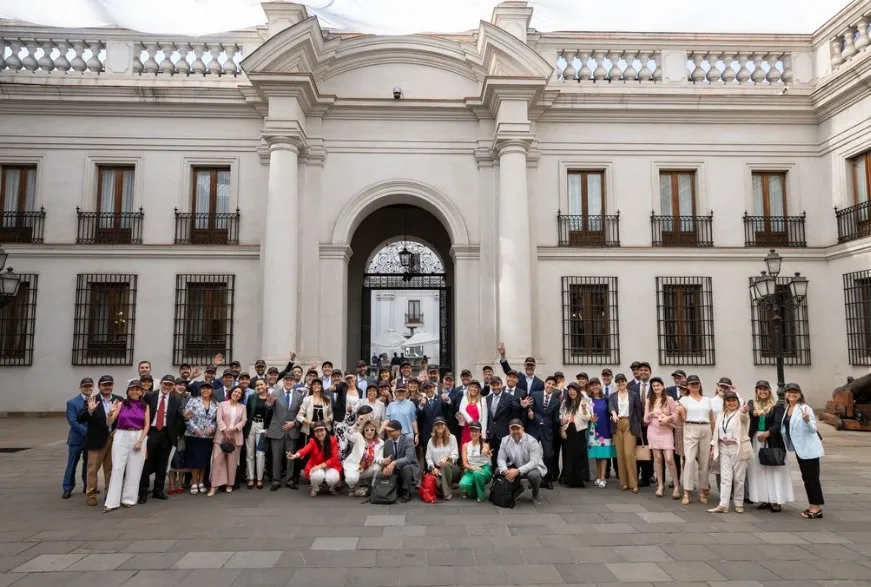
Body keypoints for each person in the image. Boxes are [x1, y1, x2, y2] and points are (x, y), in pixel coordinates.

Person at [103, 380, 150, 512]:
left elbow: (146, 424)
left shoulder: (144, 406)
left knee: (134, 469)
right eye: (131, 389)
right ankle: (112, 502)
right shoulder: (121, 404)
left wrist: (141, 440)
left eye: (137, 389)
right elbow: (109, 422)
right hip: (121, 434)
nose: (134, 392)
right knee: (117, 467)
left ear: (141, 391)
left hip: (138, 435)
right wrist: (110, 413)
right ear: (128, 391)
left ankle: (129, 499)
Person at [747, 380, 793, 512]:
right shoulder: (752, 404)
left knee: (773, 470)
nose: (762, 391)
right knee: (759, 469)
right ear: (756, 390)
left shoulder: (776, 406)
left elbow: (778, 424)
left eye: (765, 389)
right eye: (760, 389)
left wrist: (767, 433)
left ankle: (775, 500)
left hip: (771, 440)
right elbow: (748, 411)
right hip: (756, 440)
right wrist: (753, 413)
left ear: (769, 391)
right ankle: (764, 498)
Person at [78, 375, 123, 506]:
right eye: (104, 384)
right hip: (96, 440)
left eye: (109, 384)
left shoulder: (119, 400)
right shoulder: (92, 400)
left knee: (110, 469)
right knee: (92, 469)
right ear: (99, 386)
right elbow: (81, 418)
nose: (107, 387)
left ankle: (110, 494)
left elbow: (124, 417)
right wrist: (90, 411)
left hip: (113, 439)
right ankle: (91, 494)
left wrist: (118, 428)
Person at [782, 383, 825, 519]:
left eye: (795, 392)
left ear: (800, 395)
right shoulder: (788, 408)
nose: (792, 394)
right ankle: (812, 505)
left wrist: (807, 420)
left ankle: (816, 508)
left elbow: (813, 429)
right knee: (806, 478)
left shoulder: (805, 408)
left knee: (812, 478)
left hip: (809, 449)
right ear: (786, 394)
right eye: (790, 392)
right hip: (800, 449)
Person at [139, 375, 182, 503]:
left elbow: (178, 417)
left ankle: (158, 489)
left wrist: (175, 432)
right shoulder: (150, 396)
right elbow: (142, 414)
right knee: (146, 463)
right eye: (165, 384)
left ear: (173, 386)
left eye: (170, 385)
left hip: (166, 433)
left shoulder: (176, 399)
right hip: (151, 432)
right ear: (161, 383)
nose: (167, 387)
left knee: (162, 464)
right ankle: (143, 491)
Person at [708, 391, 751, 513]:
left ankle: (738, 503)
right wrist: (713, 447)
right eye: (728, 400)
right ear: (725, 402)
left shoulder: (740, 414)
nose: (731, 403)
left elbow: (744, 416)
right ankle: (723, 504)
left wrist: (744, 410)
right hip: (723, 447)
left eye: (733, 400)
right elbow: (716, 431)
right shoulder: (721, 415)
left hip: (737, 447)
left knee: (738, 477)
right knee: (725, 477)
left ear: (737, 402)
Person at [677, 375, 715, 505]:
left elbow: (711, 419)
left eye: (697, 383)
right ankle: (687, 491)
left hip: (705, 428)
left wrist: (714, 437)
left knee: (704, 462)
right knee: (689, 460)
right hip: (691, 426)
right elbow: (681, 418)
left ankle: (702, 491)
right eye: (692, 384)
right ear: (687, 386)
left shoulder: (707, 400)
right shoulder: (684, 400)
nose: (695, 386)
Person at [643, 377, 680, 499]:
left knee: (669, 458)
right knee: (657, 458)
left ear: (662, 386)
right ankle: (660, 485)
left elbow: (675, 415)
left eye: (658, 385)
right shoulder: (650, 400)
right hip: (653, 430)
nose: (656, 388)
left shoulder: (669, 399)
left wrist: (667, 418)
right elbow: (645, 419)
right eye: (654, 386)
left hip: (666, 430)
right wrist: (650, 414)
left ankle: (676, 486)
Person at [268, 372, 306, 490]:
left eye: (291, 380)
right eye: (287, 380)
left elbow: (301, 413)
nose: (289, 382)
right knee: (276, 456)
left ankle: (289, 480)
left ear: (294, 382)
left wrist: (294, 423)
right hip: (277, 430)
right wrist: (269, 402)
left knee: (290, 457)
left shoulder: (299, 396)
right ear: (283, 381)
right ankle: (276, 480)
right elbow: (268, 406)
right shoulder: (275, 393)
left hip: (292, 429)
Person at [497, 418, 547, 506]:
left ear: (523, 429)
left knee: (533, 475)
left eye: (518, 428)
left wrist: (517, 471)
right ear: (509, 430)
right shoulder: (505, 440)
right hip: (516, 466)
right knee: (498, 471)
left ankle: (536, 493)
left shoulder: (532, 441)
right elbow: (501, 458)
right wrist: (505, 470)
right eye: (513, 429)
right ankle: (518, 488)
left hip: (532, 468)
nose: (515, 431)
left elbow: (534, 462)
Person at [209, 386, 247, 496]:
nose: (237, 394)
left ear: (241, 396)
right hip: (221, 436)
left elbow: (244, 421)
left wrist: (234, 429)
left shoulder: (243, 407)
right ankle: (214, 486)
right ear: (231, 392)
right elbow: (218, 419)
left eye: (239, 393)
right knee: (217, 461)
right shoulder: (222, 404)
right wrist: (225, 430)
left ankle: (230, 484)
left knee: (232, 462)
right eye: (235, 391)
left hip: (236, 436)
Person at [608, 373, 643, 493]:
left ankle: (634, 483)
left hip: (630, 423)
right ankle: (623, 482)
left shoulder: (633, 395)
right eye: (618, 382)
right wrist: (613, 413)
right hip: (617, 424)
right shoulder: (613, 395)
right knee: (620, 454)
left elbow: (639, 412)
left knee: (629, 454)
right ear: (616, 383)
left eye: (623, 381)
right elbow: (611, 406)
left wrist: (639, 429)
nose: (621, 383)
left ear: (626, 382)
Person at [289, 421, 342, 496]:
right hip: (315, 465)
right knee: (317, 476)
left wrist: (321, 466)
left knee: (333, 477)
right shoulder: (313, 441)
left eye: (321, 430)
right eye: (317, 431)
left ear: (325, 430)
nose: (319, 433)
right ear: (314, 433)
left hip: (330, 465)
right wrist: (295, 455)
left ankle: (331, 487)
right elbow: (304, 450)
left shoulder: (332, 440)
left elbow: (334, 458)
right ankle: (315, 487)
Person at [182, 382, 218, 495]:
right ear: (200, 390)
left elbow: (217, 420)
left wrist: (212, 428)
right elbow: (186, 417)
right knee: (195, 459)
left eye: (208, 388)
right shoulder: (193, 400)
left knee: (204, 460)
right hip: (195, 435)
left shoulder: (216, 403)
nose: (205, 390)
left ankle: (201, 481)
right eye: (203, 389)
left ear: (211, 390)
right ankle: (194, 482)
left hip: (208, 436)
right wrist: (194, 428)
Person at [528, 375, 562, 488]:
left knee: (548, 455)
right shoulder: (535, 394)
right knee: (531, 455)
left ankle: (548, 479)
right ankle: (532, 480)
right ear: (545, 384)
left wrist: (563, 420)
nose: (550, 386)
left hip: (547, 430)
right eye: (548, 383)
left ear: (555, 386)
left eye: (553, 384)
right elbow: (530, 408)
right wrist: (530, 413)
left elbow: (555, 418)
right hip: (534, 428)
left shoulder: (556, 401)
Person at [63, 377, 93, 499]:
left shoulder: (96, 400)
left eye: (90, 386)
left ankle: (88, 486)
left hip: (90, 439)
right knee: (72, 463)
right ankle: (67, 487)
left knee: (89, 463)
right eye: (85, 386)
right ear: (80, 387)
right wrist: (86, 432)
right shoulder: (72, 402)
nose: (88, 388)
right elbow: (73, 421)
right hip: (76, 438)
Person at [380, 419, 421, 502]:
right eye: (387, 431)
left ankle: (407, 491)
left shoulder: (408, 440)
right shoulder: (387, 442)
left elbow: (408, 458)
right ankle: (392, 488)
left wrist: (394, 463)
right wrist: (385, 464)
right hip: (395, 468)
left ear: (399, 431)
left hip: (411, 467)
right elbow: (387, 457)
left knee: (406, 467)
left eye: (391, 431)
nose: (388, 433)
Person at [558, 381, 590, 487]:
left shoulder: (583, 401)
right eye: (570, 390)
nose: (572, 392)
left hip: (579, 431)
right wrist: (562, 427)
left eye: (574, 390)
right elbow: (561, 416)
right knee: (568, 455)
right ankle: (568, 479)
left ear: (578, 391)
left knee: (579, 455)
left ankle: (579, 480)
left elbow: (587, 418)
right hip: (568, 431)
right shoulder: (565, 402)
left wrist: (585, 409)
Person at [485, 376, 520, 469]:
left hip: (504, 433)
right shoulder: (487, 399)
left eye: (497, 384)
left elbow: (515, 408)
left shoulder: (509, 397)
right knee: (494, 457)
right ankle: (496, 478)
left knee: (506, 457)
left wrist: (522, 406)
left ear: (502, 385)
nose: (495, 387)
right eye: (493, 385)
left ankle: (507, 478)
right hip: (491, 434)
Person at [244, 379, 273, 489]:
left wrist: (267, 428)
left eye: (261, 384)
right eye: (257, 385)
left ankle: (260, 478)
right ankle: (251, 478)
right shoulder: (252, 397)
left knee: (260, 453)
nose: (259, 386)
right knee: (249, 453)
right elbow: (247, 412)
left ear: (266, 385)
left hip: (262, 427)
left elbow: (271, 414)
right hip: (251, 426)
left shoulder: (270, 397)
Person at [587, 378, 616, 488]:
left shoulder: (606, 399)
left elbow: (611, 412)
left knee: (604, 454)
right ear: (590, 387)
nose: (595, 387)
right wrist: (590, 419)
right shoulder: (588, 400)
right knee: (597, 454)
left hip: (605, 429)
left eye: (596, 385)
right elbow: (585, 413)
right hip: (593, 430)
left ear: (600, 386)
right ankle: (598, 476)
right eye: (592, 385)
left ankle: (603, 477)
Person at [344, 418, 383, 496]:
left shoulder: (380, 442)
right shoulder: (358, 437)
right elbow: (347, 433)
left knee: (378, 467)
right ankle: (352, 487)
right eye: (367, 430)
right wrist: (357, 423)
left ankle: (373, 487)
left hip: (367, 468)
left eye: (372, 429)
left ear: (375, 431)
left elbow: (379, 457)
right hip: (354, 466)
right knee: (351, 479)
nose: (369, 432)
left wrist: (383, 461)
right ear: (363, 431)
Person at [425, 417, 460, 500]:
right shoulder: (431, 441)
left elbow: (456, 455)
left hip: (452, 467)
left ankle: (447, 493)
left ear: (445, 426)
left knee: (446, 465)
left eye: (441, 424)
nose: (439, 426)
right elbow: (428, 458)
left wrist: (447, 457)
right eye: (437, 425)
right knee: (437, 484)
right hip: (438, 469)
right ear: (434, 427)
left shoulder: (452, 438)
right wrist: (433, 468)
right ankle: (442, 489)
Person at [458, 421, 493, 501]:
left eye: (476, 431)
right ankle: (474, 492)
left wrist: (487, 452)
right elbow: (465, 463)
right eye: (472, 431)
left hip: (484, 469)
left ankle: (480, 496)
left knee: (477, 473)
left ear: (480, 433)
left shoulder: (485, 445)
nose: (474, 433)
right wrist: (472, 467)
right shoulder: (465, 445)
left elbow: (487, 453)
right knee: (463, 484)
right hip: (471, 468)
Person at [457, 379, 487, 446]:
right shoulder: (465, 398)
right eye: (472, 386)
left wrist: (483, 435)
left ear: (478, 389)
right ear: (469, 388)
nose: (474, 389)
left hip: (477, 431)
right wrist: (470, 421)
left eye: (476, 387)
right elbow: (461, 409)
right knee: (465, 449)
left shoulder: (482, 399)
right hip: (466, 429)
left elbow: (484, 418)